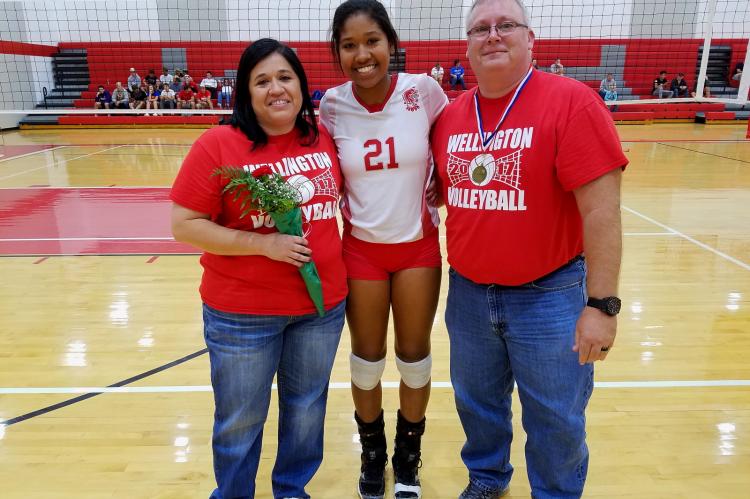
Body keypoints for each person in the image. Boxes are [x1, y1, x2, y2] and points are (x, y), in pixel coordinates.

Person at [430, 1, 628, 498]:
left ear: (530, 38)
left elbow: (602, 213)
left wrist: (601, 306)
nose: (493, 35)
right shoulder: (451, 117)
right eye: (480, 28)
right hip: (469, 295)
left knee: (556, 419)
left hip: (551, 295)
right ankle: (487, 479)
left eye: (506, 26)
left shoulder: (572, 102)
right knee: (477, 406)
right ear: (467, 46)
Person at [170, 38, 348, 499]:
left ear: (302, 85)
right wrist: (260, 245)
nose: (276, 89)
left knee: (307, 410)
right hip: (242, 314)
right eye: (262, 80)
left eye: (285, 77)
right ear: (246, 93)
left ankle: (291, 491)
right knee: (240, 420)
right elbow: (184, 225)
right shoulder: (218, 145)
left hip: (321, 308)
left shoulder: (322, 137)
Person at [320, 1, 448, 498]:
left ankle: (408, 457)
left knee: (414, 356)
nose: (362, 54)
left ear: (391, 43)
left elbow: (455, 139)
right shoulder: (331, 106)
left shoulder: (424, 91)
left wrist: (441, 179)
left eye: (372, 40)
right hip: (361, 252)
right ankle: (372, 454)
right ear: (338, 53)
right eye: (349, 45)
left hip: (417, 248)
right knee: (366, 360)